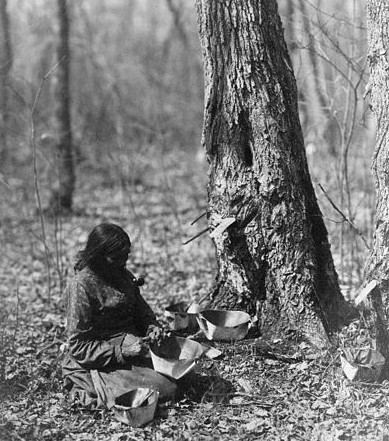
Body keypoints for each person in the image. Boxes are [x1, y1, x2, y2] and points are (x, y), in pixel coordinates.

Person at [62, 223, 177, 409]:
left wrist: (152, 327)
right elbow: (79, 347)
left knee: (182, 375)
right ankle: (93, 387)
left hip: (135, 348)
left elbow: (142, 312)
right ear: (98, 256)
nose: (123, 262)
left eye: (126, 256)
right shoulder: (81, 286)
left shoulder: (121, 274)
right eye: (116, 258)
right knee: (165, 389)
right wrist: (120, 351)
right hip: (103, 360)